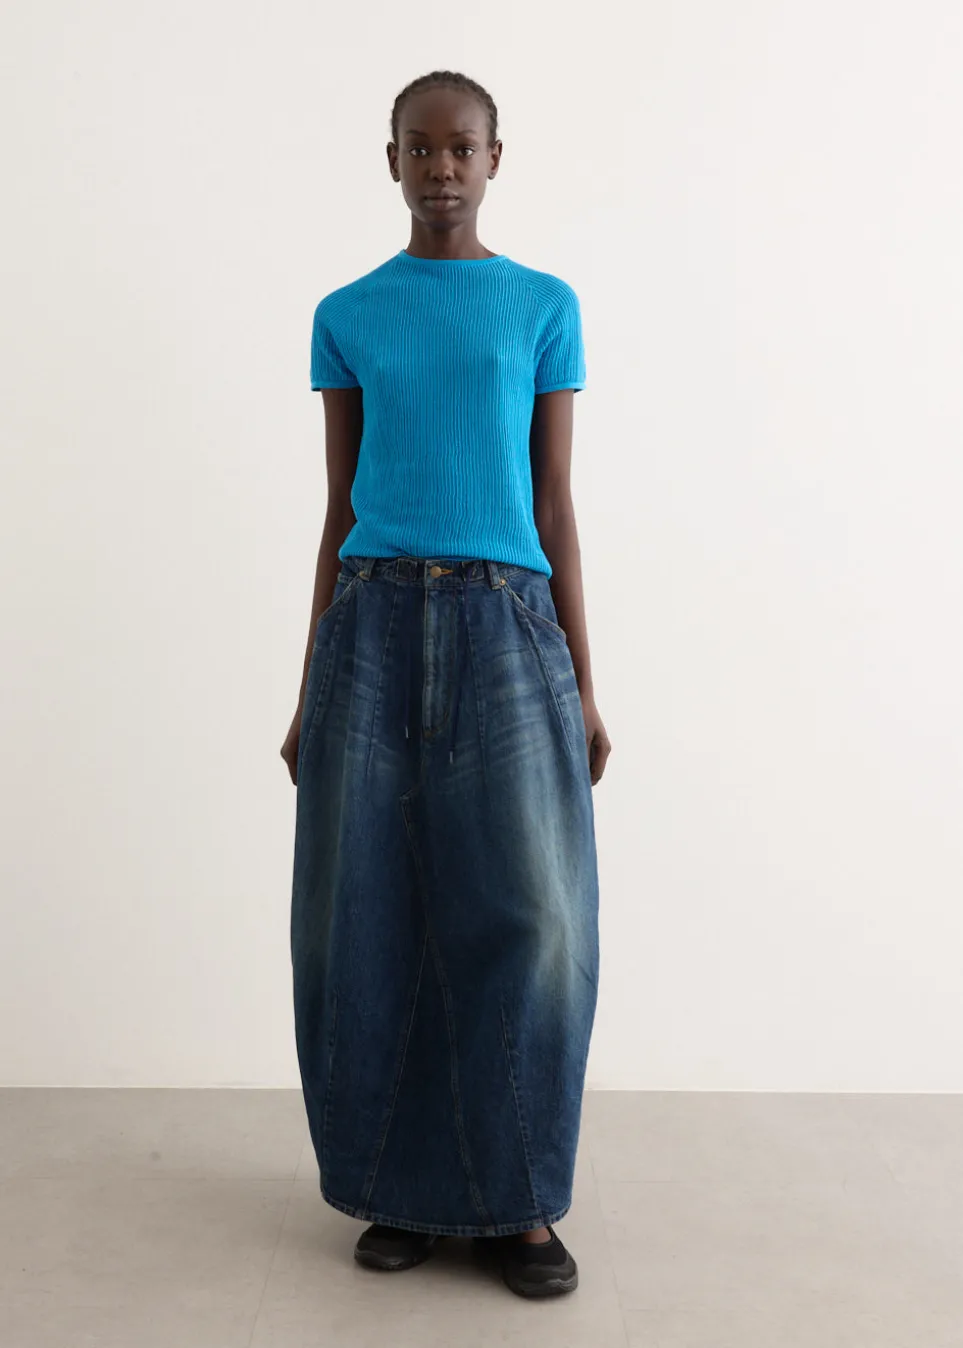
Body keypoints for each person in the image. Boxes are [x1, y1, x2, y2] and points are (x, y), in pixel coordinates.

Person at [281, 69, 611, 1300]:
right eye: (419, 149)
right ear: (392, 163)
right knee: (366, 910)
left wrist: (583, 681)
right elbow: (339, 508)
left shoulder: (543, 306)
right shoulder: (347, 312)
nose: (441, 168)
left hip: (507, 621)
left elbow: (555, 503)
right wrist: (310, 687)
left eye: (461, 148)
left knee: (533, 917)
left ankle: (519, 1202)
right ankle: (400, 1188)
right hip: (370, 622)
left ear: (494, 158)